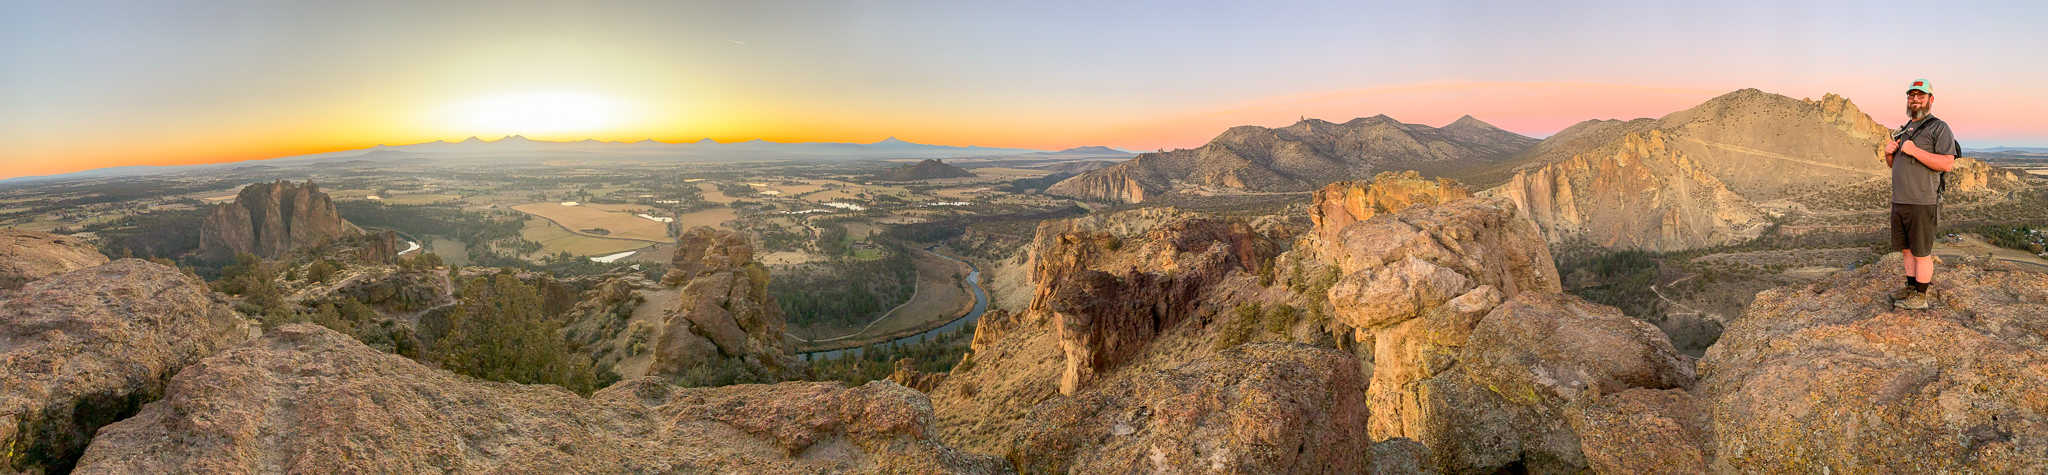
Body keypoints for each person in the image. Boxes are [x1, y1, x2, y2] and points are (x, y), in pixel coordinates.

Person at [1880, 78, 1959, 310]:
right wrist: (1888, 155)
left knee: (1922, 252)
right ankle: (1911, 287)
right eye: (1911, 95)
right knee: (1906, 250)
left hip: (1922, 201)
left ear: (1930, 99)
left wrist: (1914, 151)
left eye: (1920, 95)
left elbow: (1946, 163)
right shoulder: (1904, 129)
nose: (1915, 99)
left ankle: (1921, 297)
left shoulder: (1939, 127)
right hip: (1901, 201)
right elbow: (1895, 166)